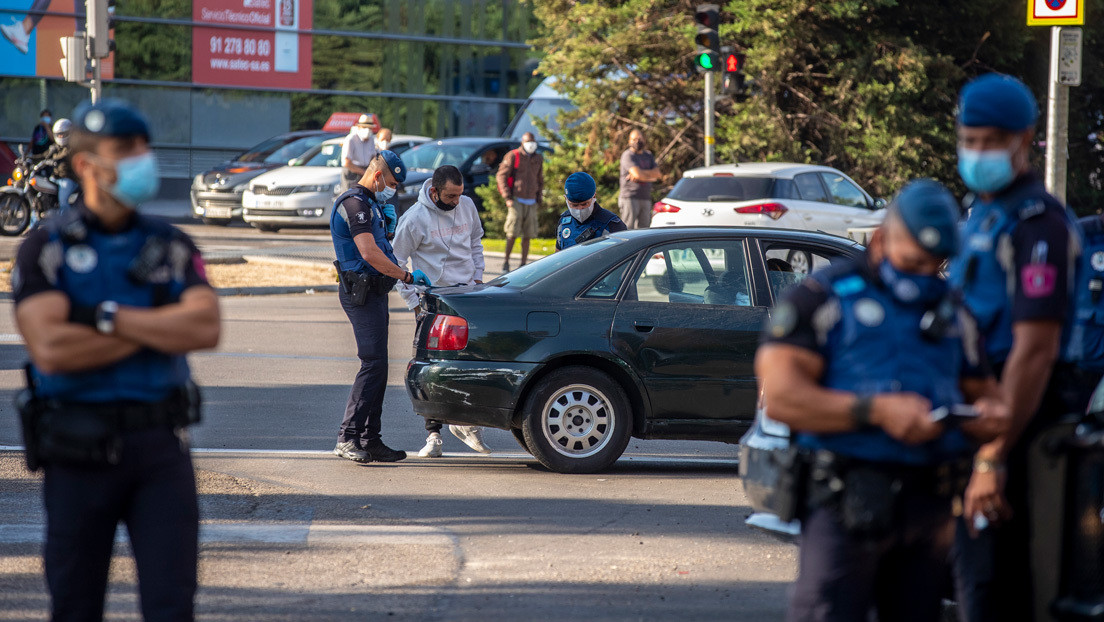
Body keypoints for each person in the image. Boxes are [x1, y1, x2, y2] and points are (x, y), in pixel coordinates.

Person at [756, 179, 1009, 622]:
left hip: (928, 510)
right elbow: (781, 398)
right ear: (881, 238)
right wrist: (873, 411)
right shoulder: (821, 298)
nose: (923, 274)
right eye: (913, 261)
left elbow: (988, 398)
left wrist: (989, 426)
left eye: (935, 264)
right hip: (845, 502)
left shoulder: (953, 312)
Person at [12, 98, 220, 621]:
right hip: (77, 450)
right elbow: (52, 349)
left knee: (172, 606)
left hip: (160, 453)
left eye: (143, 146)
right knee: (75, 605)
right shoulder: (48, 248)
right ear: (86, 164)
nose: (140, 158)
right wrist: (157, 323)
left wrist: (101, 316)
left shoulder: (168, 244)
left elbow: (204, 326)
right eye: (124, 149)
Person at [946, 73, 1085, 622]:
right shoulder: (982, 215)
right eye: (970, 139)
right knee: (971, 582)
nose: (978, 152)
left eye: (991, 142)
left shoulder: (1040, 225)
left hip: (1022, 425)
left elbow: (1034, 351)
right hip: (978, 419)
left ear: (1025, 140)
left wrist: (992, 456)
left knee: (999, 591)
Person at [330, 149, 429, 463]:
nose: (394, 190)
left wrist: (387, 228)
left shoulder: (373, 204)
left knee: (380, 367)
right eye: (391, 183)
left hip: (375, 292)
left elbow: (381, 244)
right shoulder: (354, 204)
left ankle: (370, 439)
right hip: (360, 293)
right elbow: (370, 254)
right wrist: (407, 276)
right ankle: (347, 437)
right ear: (376, 176)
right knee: (372, 363)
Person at [393, 165, 494, 458]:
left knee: (473, 362)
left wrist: (477, 278)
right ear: (434, 191)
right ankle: (433, 434)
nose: (456, 202)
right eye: (451, 196)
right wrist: (414, 302)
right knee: (432, 368)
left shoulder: (467, 205)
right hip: (433, 300)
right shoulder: (414, 219)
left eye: (460, 195)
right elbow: (397, 263)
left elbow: (476, 241)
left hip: (467, 295)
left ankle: (469, 424)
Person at [496, 132, 544, 271]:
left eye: (533, 141)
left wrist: (539, 197)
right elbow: (501, 176)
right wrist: (507, 197)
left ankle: (523, 264)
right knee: (512, 232)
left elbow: (540, 179)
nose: (531, 144)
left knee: (528, 234)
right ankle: (506, 261)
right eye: (528, 141)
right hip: (516, 199)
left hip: (531, 200)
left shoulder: (538, 158)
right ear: (522, 142)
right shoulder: (513, 156)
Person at [556, 172, 626, 251]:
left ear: (594, 197)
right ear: (566, 199)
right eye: (574, 205)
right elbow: (558, 256)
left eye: (584, 204)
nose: (580, 209)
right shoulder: (564, 222)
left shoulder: (611, 225)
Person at [618, 129, 661, 229]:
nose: (637, 141)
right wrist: (649, 176)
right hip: (629, 197)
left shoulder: (648, 155)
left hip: (645, 197)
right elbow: (638, 175)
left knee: (644, 230)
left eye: (639, 138)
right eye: (634, 139)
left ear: (644, 139)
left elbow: (658, 174)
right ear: (629, 141)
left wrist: (641, 174)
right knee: (627, 230)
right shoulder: (628, 155)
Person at [43, 117, 78, 211]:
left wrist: (54, 159)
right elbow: (43, 156)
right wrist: (28, 158)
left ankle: (64, 222)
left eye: (63, 134)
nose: (61, 137)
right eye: (59, 134)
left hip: (68, 179)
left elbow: (64, 155)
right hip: (55, 178)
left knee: (63, 201)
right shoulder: (56, 147)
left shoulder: (72, 147)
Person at [340, 114, 378, 191]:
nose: (367, 130)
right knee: (351, 197)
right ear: (359, 127)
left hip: (365, 171)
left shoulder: (371, 139)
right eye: (364, 127)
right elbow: (347, 162)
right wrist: (363, 172)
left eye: (369, 128)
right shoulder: (351, 139)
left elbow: (373, 157)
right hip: (352, 173)